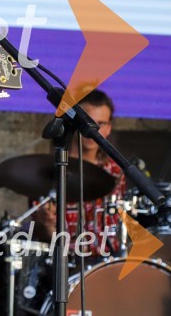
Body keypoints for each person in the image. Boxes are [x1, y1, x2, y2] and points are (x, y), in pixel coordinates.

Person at [33, 89, 126, 256]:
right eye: (87, 122)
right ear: (73, 123)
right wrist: (46, 225)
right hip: (65, 263)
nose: (93, 130)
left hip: (108, 264)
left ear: (109, 128)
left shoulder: (116, 170)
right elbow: (38, 234)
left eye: (100, 124)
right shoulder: (49, 170)